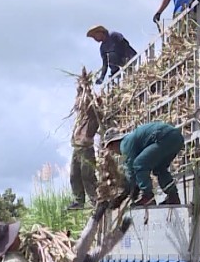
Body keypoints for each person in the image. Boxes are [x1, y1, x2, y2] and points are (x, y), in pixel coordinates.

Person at [103, 122, 184, 207]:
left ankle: (148, 197)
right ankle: (173, 197)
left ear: (112, 144)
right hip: (176, 138)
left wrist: (126, 193)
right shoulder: (130, 140)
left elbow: (132, 170)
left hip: (164, 138)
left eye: (111, 149)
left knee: (139, 164)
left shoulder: (124, 144)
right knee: (159, 169)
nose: (114, 152)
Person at [67, 74, 99, 210]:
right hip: (77, 147)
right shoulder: (80, 118)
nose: (76, 106)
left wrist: (85, 88)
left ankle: (95, 199)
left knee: (87, 175)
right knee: (74, 174)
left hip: (86, 148)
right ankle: (78, 200)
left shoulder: (92, 113)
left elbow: (88, 101)